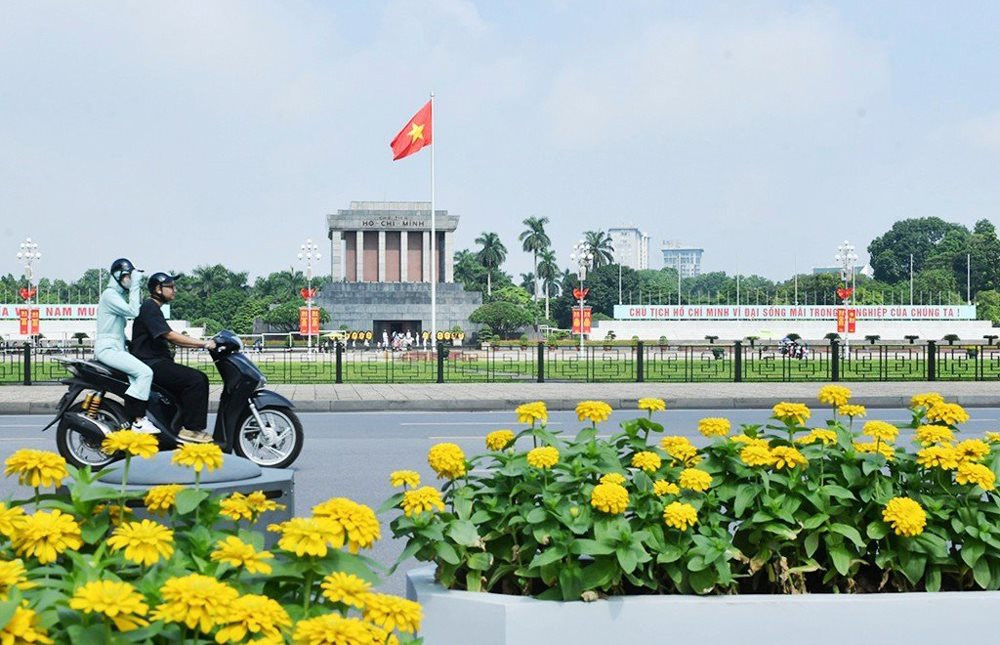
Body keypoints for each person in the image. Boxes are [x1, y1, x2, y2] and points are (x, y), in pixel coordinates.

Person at [129, 272, 216, 444]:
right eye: (170, 287)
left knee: (187, 383)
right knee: (196, 380)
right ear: (157, 289)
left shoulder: (154, 308)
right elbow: (170, 336)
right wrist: (204, 344)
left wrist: (200, 344)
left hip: (157, 361)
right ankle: (191, 430)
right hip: (151, 363)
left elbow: (175, 340)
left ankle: (175, 429)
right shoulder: (149, 307)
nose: (174, 290)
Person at [95, 258, 155, 432]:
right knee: (145, 373)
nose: (130, 279)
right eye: (127, 275)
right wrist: (136, 285)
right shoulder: (109, 295)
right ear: (118, 276)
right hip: (108, 349)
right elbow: (133, 311)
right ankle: (138, 420)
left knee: (139, 375)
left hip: (117, 347)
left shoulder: (117, 296)